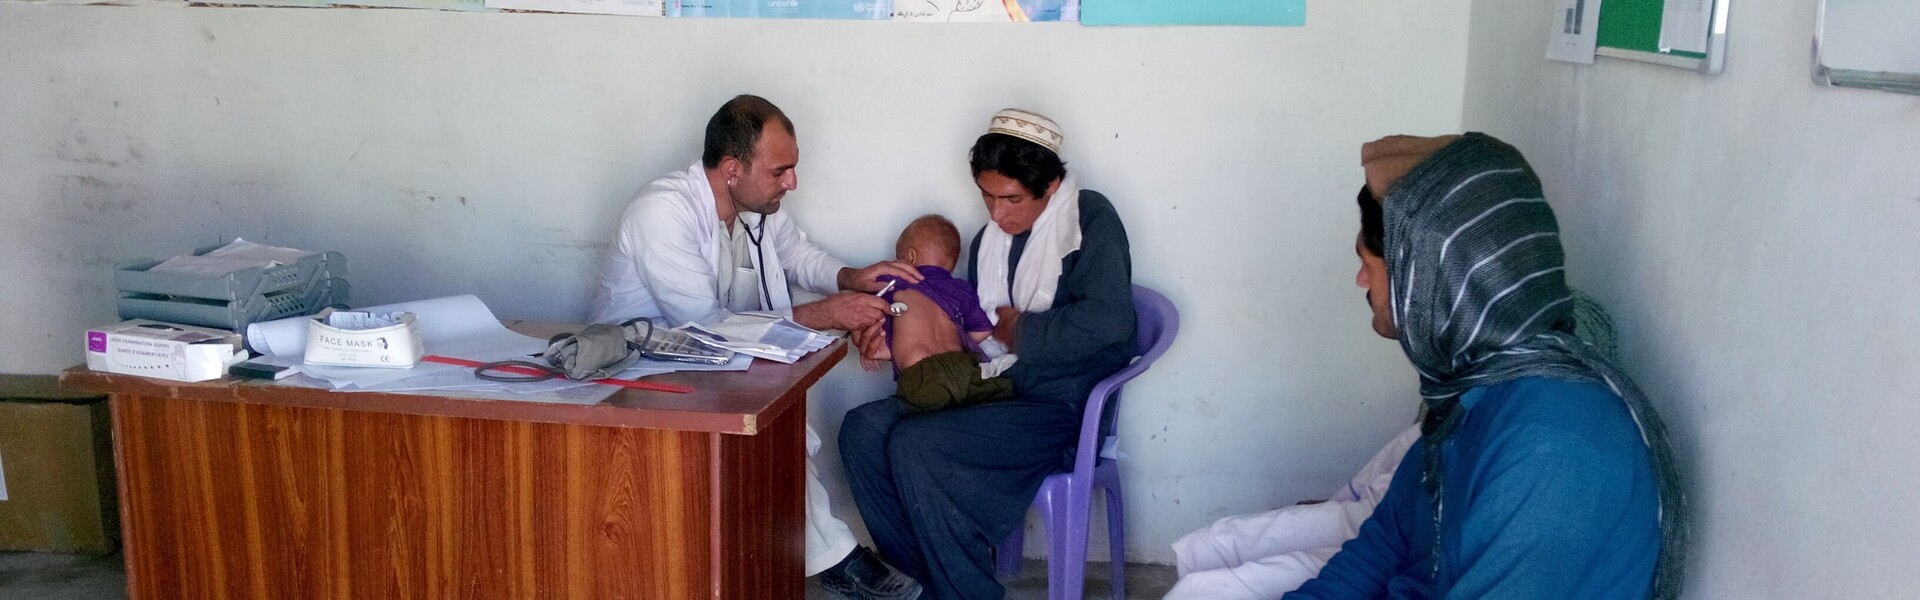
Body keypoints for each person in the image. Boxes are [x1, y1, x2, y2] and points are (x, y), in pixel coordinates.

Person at [1282, 134, 1686, 599]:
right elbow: (1384, 545)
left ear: (1429, 282)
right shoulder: (1473, 392)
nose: (1360, 280)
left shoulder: (1555, 447)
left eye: (1367, 262)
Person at [587, 94, 923, 600]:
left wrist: (851, 278)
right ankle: (837, 560)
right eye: (780, 171)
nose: (792, 183)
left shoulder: (755, 206)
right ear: (731, 169)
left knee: (779, 415)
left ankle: (818, 559)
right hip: (637, 371)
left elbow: (795, 255)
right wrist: (829, 314)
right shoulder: (662, 211)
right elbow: (703, 328)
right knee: (772, 415)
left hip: (708, 364)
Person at [839, 109, 1137, 600]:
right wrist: (891, 328)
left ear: (1051, 184)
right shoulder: (989, 241)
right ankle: (925, 586)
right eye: (987, 196)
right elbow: (966, 327)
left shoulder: (1089, 219)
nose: (997, 214)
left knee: (918, 444)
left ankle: (969, 592)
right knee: (863, 430)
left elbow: (1111, 322)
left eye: (1012, 199)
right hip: (994, 385)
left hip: (1060, 406)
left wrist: (1026, 332)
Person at [866, 214, 1017, 412]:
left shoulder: (892, 283)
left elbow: (874, 320)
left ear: (910, 257)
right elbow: (983, 331)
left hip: (922, 373)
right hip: (962, 366)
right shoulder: (960, 288)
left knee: (922, 407)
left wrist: (872, 350)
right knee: (994, 392)